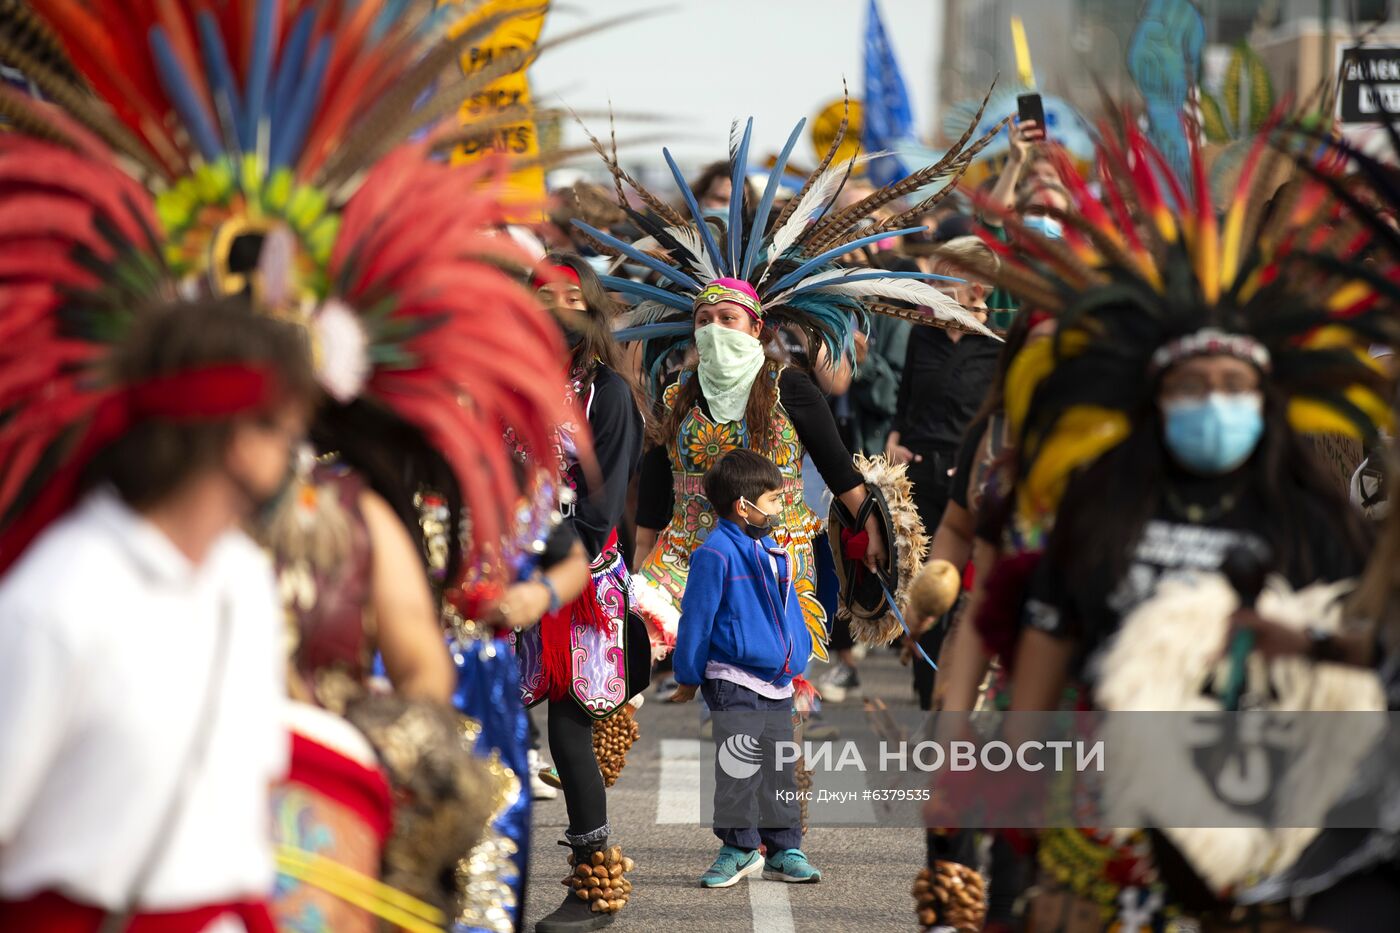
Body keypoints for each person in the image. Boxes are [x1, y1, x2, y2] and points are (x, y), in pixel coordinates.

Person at [931, 117, 1398, 931]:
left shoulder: (1310, 522)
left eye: (1231, 384)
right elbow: (1036, 698)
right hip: (1097, 856)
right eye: (1193, 385)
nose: (1212, 401)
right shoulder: (1092, 521)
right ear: (1153, 400)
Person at [584, 115, 995, 667]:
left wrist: (874, 532)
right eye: (704, 319)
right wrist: (638, 571)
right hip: (688, 563)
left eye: (729, 318)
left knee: (768, 699)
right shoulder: (676, 393)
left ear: (758, 329)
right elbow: (656, 493)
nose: (714, 330)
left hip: (777, 564)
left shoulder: (790, 388)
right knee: (712, 692)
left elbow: (837, 468)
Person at [0, 298, 319, 930]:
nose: (296, 456)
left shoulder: (245, 580)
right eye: (287, 431)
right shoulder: (59, 597)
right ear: (239, 440)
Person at [519, 253, 649, 933]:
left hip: (582, 582)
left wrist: (532, 551)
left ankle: (595, 886)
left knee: (568, 728)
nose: (556, 306)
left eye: (571, 295)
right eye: (543, 294)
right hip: (507, 571)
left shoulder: (610, 394)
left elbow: (599, 513)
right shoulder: (505, 384)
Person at [668, 450, 820, 888]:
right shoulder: (714, 554)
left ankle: (784, 846)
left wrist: (797, 661)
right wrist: (688, 675)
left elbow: (790, 614)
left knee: (779, 767)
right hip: (733, 679)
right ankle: (738, 847)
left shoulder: (772, 550)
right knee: (739, 767)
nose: (777, 509)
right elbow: (695, 618)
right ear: (744, 505)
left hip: (776, 683)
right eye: (773, 500)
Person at [883, 236, 1001, 709]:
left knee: (962, 589)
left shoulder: (997, 349)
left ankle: (957, 696)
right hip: (917, 476)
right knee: (925, 584)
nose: (929, 289)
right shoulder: (922, 334)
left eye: (940, 280)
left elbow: (998, 419)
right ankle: (931, 694)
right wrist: (895, 437)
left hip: (968, 480)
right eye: (928, 277)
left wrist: (978, 461)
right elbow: (906, 400)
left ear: (976, 290)